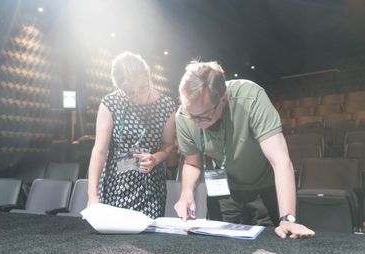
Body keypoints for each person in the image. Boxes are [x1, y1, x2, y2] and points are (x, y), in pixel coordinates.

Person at [174, 61, 315, 239]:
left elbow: (280, 160)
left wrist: (288, 218)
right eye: (190, 115)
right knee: (221, 250)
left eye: (203, 116)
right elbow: (192, 163)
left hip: (265, 188)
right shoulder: (184, 115)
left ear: (223, 99)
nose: (196, 123)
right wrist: (187, 193)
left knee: (273, 246)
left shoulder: (250, 97)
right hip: (225, 191)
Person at [87, 52, 176, 218]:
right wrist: (93, 196)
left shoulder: (166, 105)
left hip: (150, 186)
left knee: (148, 239)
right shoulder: (111, 102)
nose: (137, 97)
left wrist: (155, 158)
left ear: (147, 74)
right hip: (115, 183)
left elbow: (168, 145)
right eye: (129, 92)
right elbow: (99, 151)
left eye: (142, 89)